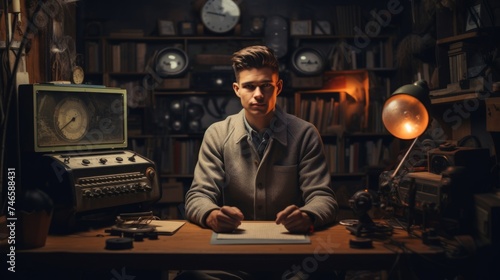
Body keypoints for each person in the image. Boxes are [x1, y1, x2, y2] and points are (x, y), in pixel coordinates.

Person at [177, 45, 338, 279]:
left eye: (266, 86)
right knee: (191, 277)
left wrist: (307, 216)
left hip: (292, 258)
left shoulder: (304, 133)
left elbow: (323, 197)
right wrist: (212, 214)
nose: (258, 94)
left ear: (278, 87)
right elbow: (198, 196)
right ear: (237, 89)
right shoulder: (217, 134)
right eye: (249, 86)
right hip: (231, 258)